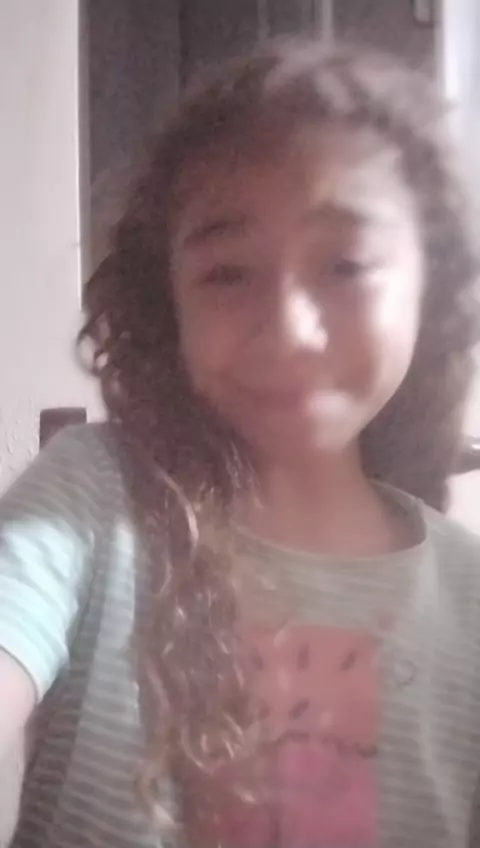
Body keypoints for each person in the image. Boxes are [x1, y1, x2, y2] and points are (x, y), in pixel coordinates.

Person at [1, 37, 480, 848]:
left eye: (346, 265)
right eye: (227, 274)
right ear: (169, 302)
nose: (289, 330)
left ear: (427, 289)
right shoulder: (92, 500)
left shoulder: (471, 597)